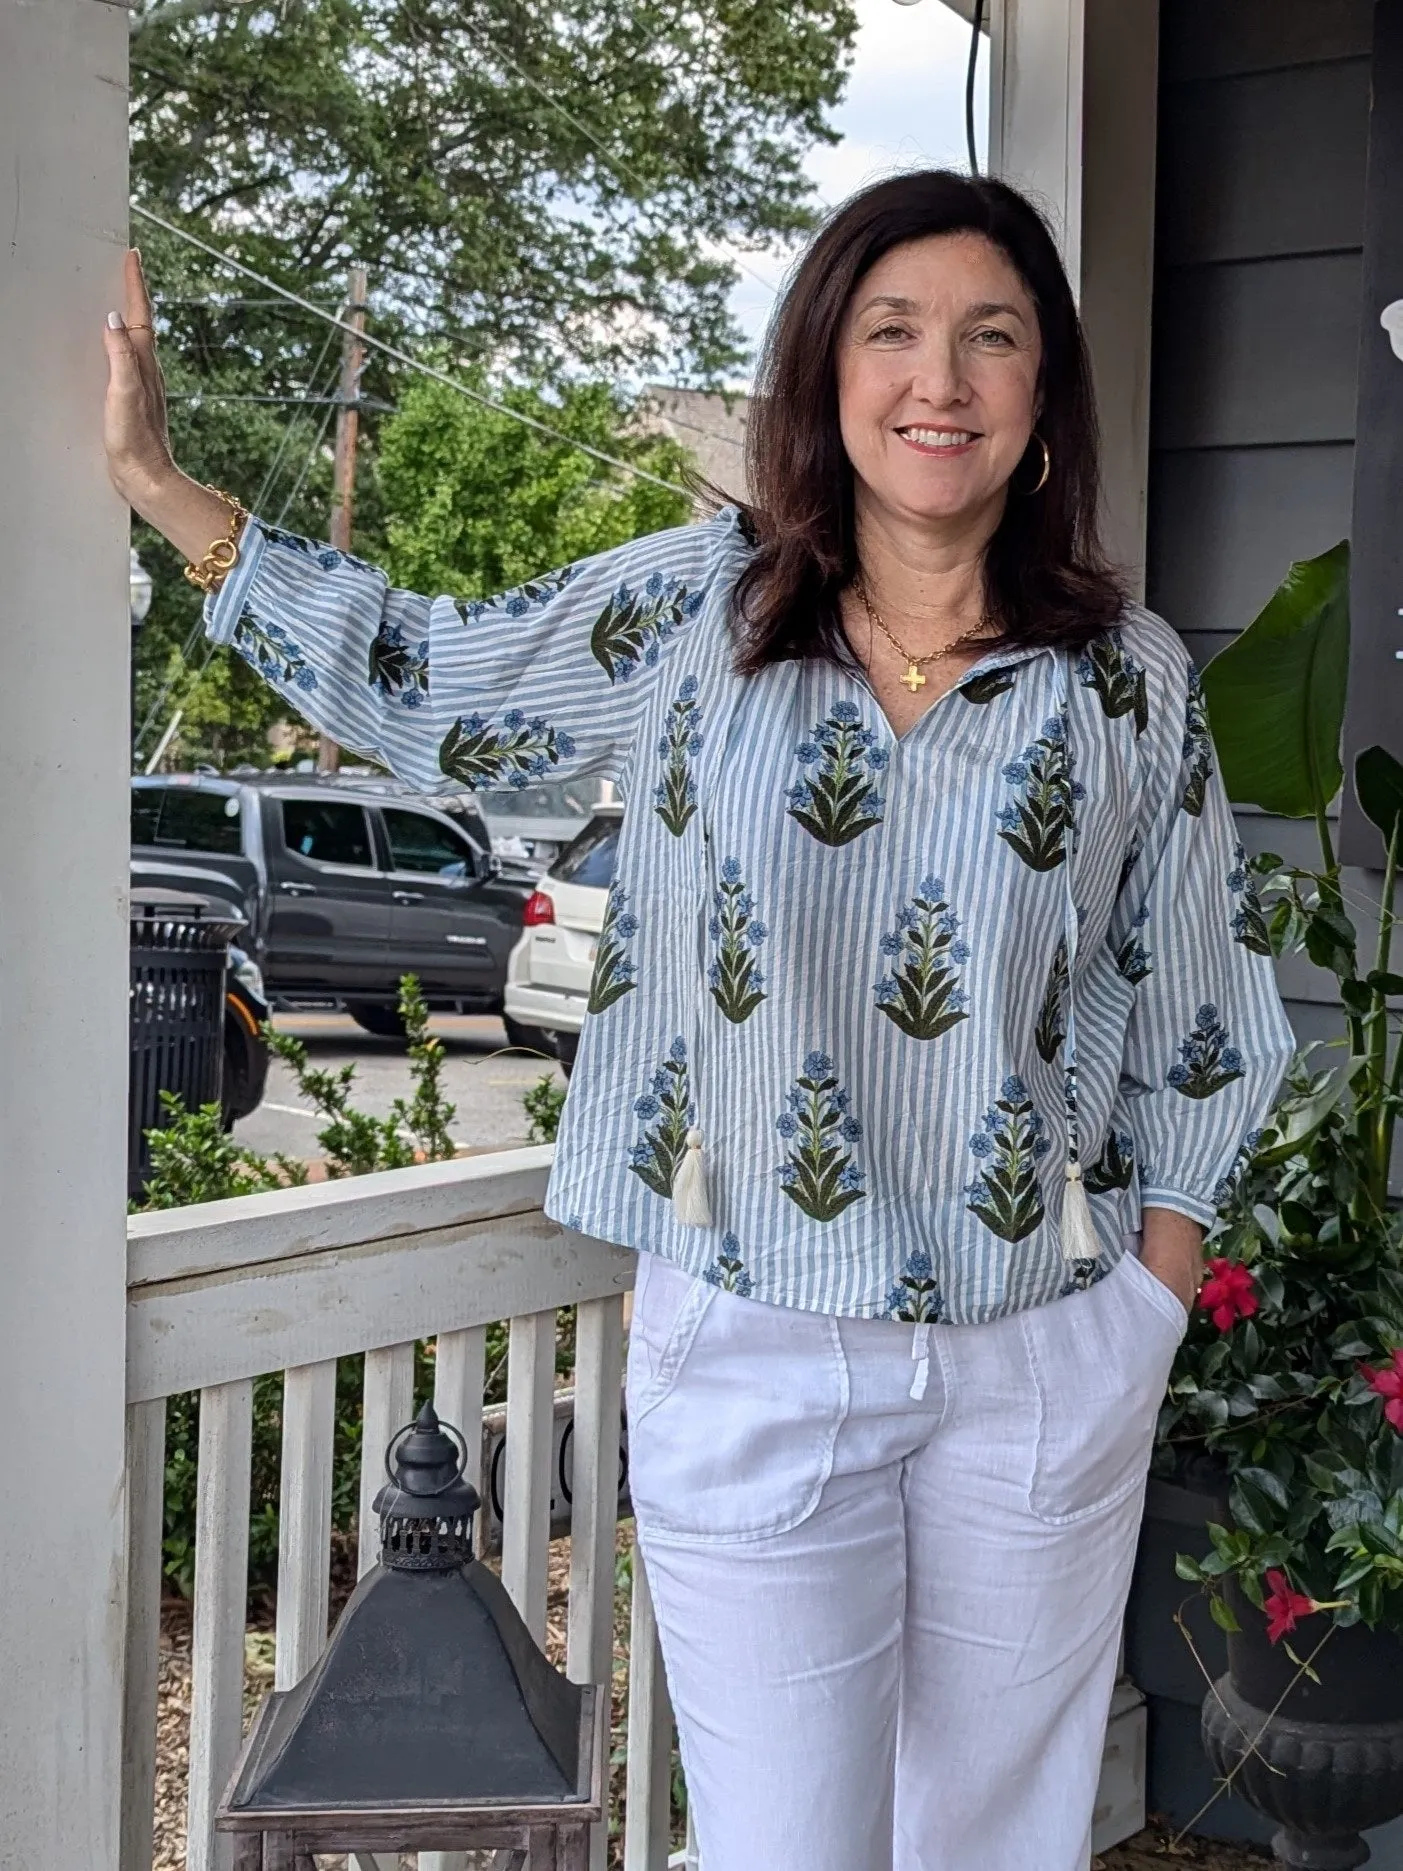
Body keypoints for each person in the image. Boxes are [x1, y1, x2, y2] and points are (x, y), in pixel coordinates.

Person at [105, 171, 1293, 1871]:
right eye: (891, 332)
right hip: (752, 1342)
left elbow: (1202, 1009)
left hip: (1033, 1351)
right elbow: (439, 690)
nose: (935, 379)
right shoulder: (695, 615)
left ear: (1040, 402)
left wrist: (1142, 1306)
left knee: (996, 1842)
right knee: (778, 1842)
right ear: (825, 373)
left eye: (989, 338)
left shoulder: (1124, 679)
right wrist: (172, 493)